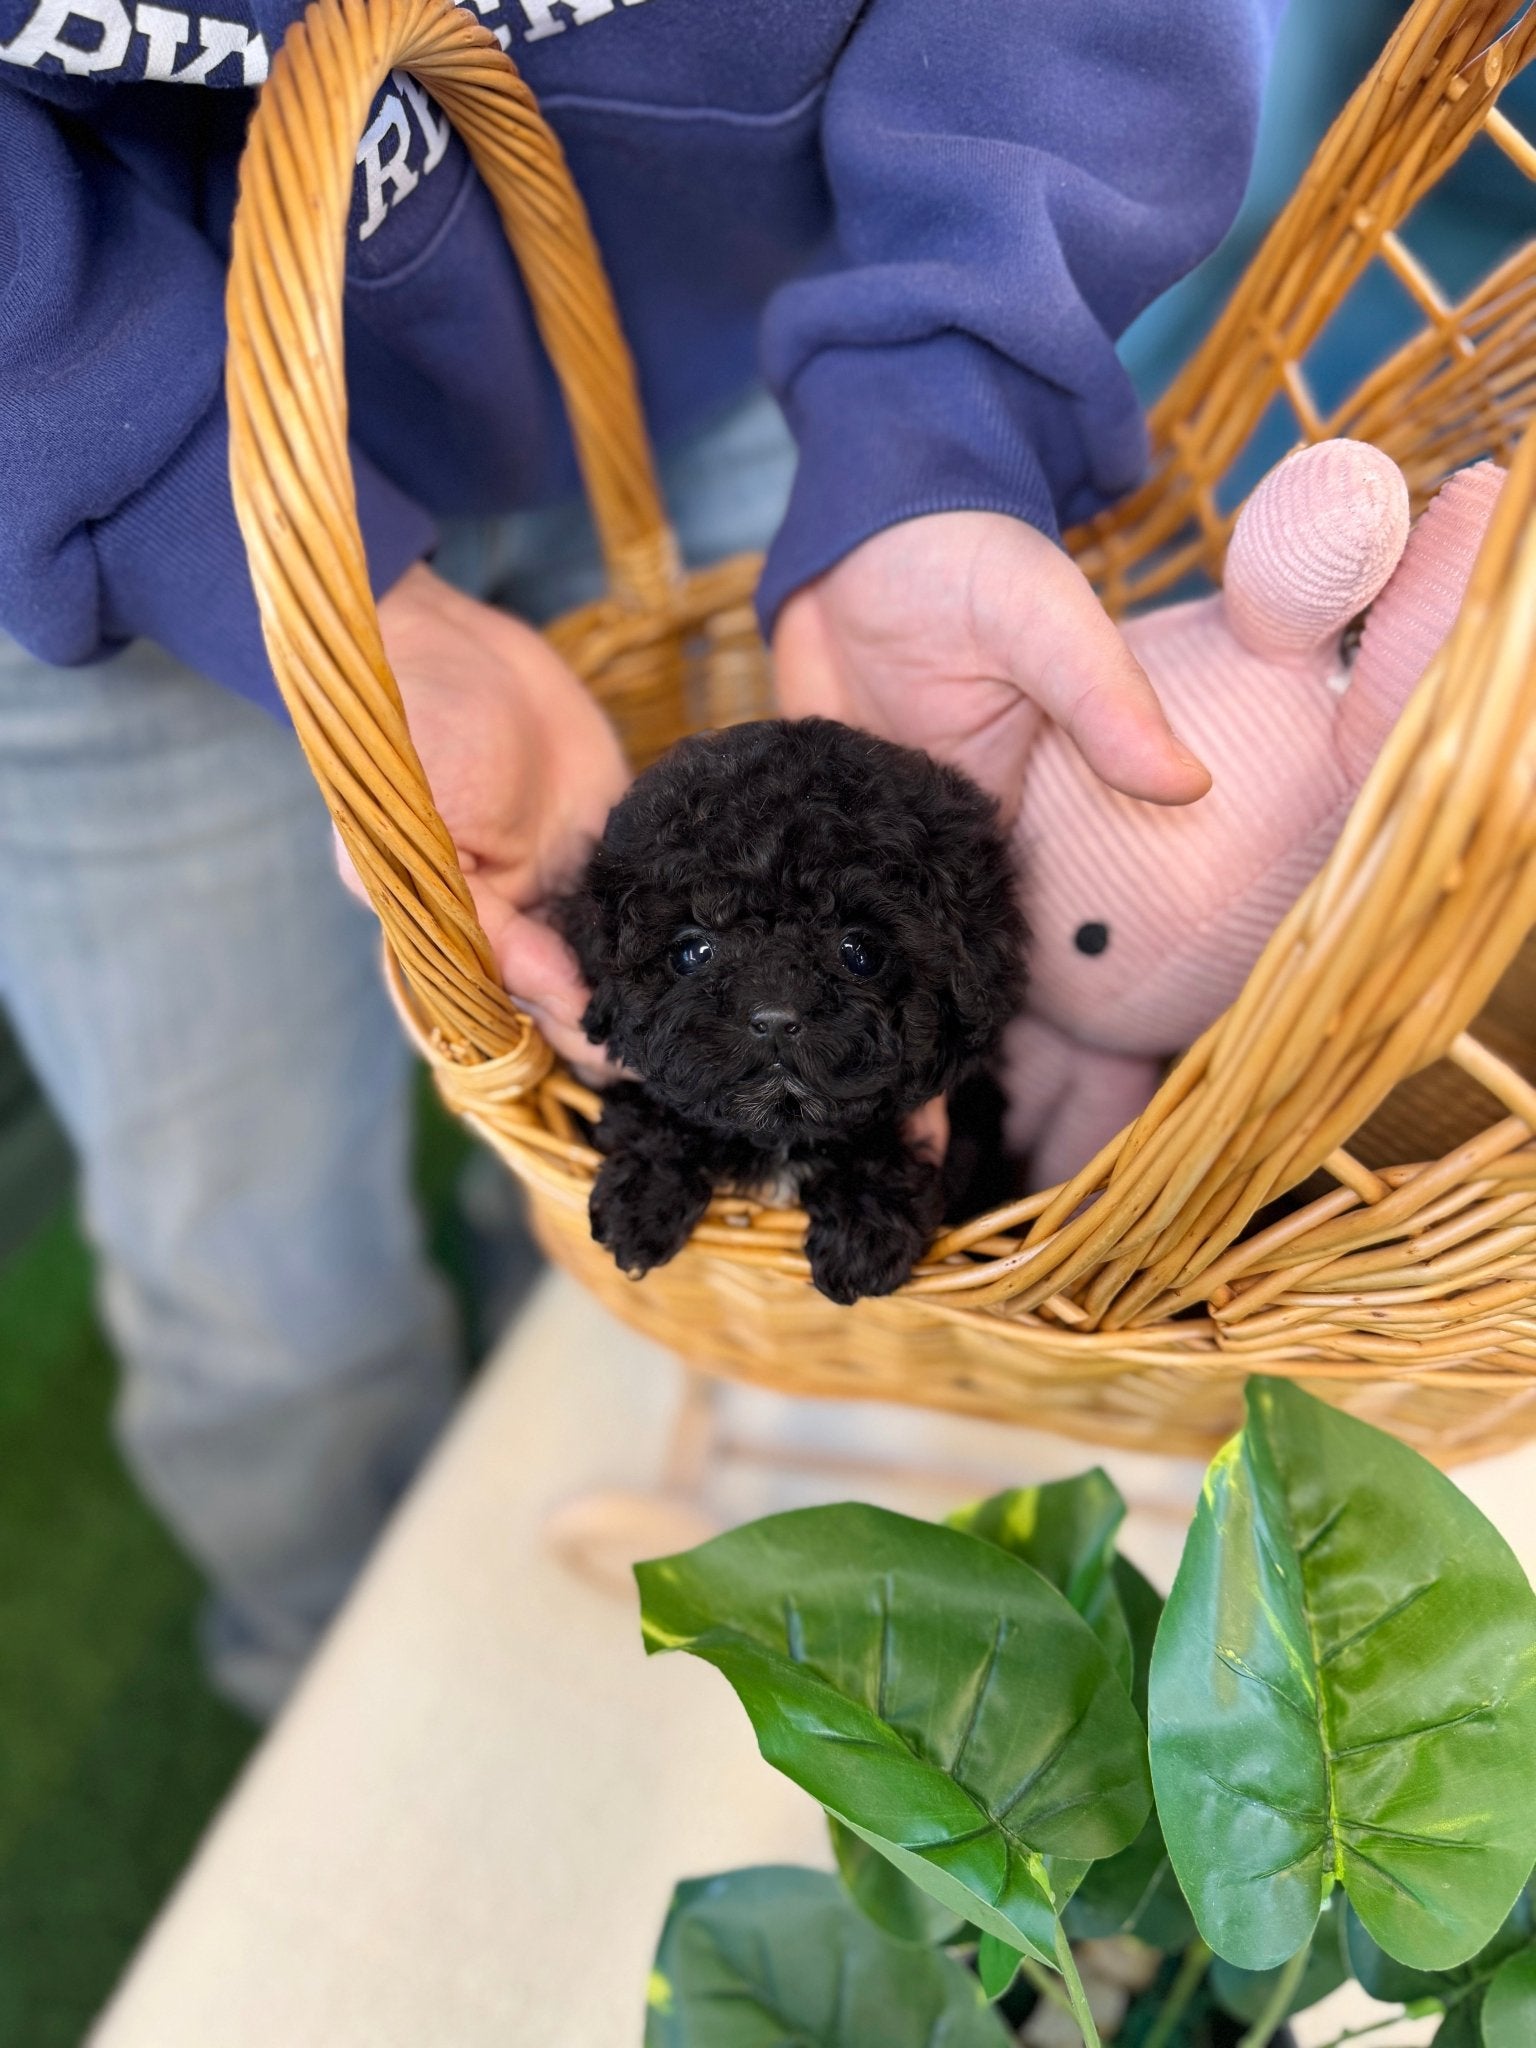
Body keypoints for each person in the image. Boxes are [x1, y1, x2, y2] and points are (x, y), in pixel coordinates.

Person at [0, 0, 1281, 1716]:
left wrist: (935, 416)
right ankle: (360, 1688)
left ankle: (608, 1504)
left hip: (770, 328)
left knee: (611, 1173)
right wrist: (182, 514)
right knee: (251, 1260)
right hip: (75, 477)